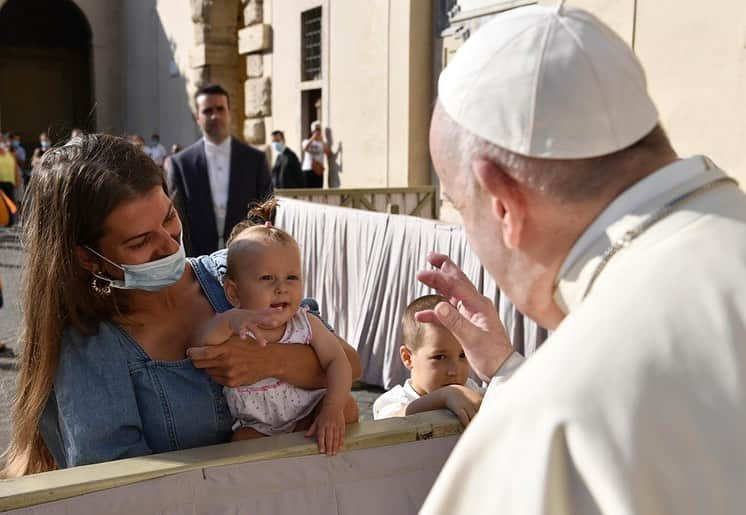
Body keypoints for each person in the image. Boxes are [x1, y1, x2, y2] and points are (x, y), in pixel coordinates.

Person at [417, 3, 746, 514]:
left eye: (463, 207)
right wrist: (507, 371)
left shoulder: (553, 419)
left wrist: (530, 391)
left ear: (502, 201)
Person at [0, 134, 361, 477]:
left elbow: (351, 364)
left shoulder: (232, 272)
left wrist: (270, 362)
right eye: (141, 241)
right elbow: (119, 486)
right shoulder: (91, 347)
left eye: (169, 218)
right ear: (89, 258)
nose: (170, 246)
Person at [201, 203, 358, 455]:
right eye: (267, 278)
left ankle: (321, 453)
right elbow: (202, 342)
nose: (281, 288)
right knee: (239, 443)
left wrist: (332, 407)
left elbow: (338, 361)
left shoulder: (306, 323)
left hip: (306, 415)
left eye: (292, 278)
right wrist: (228, 321)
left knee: (348, 407)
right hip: (257, 427)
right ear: (233, 292)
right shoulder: (235, 325)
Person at [169, 84, 273, 256]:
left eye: (220, 109)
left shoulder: (255, 160)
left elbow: (266, 210)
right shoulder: (180, 164)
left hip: (247, 257)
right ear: (197, 117)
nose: (215, 116)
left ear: (229, 112)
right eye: (207, 111)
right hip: (197, 263)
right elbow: (178, 218)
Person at [372, 295, 483, 426]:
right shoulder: (393, 401)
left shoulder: (469, 388)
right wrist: (443, 397)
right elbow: (389, 423)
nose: (454, 370)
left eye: (463, 355)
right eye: (439, 357)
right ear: (408, 358)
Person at [301, 121, 331, 189]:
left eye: (319, 130)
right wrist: (313, 138)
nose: (317, 132)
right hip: (308, 169)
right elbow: (305, 148)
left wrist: (322, 140)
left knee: (318, 190)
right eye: (316, 130)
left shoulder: (322, 143)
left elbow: (328, 153)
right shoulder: (306, 141)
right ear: (312, 131)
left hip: (318, 170)